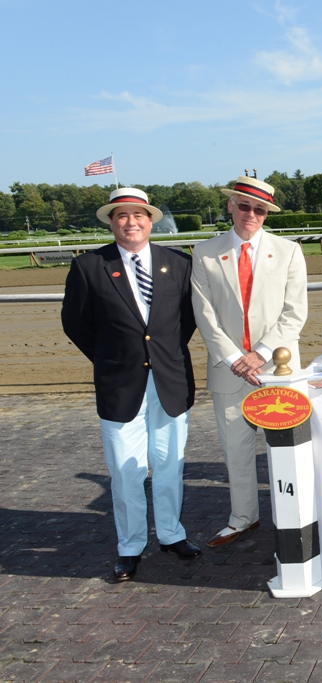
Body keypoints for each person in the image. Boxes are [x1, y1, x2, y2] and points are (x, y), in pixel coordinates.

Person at [61, 188, 201, 581]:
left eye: (138, 215)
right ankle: (130, 546)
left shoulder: (178, 264)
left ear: (150, 220)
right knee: (126, 471)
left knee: (169, 464)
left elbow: (185, 322)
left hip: (170, 382)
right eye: (121, 216)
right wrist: (112, 357)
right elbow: (76, 324)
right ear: (111, 221)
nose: (130, 222)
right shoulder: (89, 266)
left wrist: (160, 356)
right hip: (119, 387)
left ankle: (172, 535)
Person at [191, 176, 308, 547]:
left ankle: (295, 518)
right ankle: (243, 518)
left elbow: (295, 313)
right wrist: (234, 359)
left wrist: (260, 354)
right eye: (245, 206)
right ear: (231, 206)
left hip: (277, 370)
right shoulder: (204, 252)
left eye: (259, 209)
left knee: (285, 453)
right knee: (236, 453)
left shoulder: (288, 251)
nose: (251, 215)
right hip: (229, 373)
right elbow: (204, 316)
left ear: (266, 213)